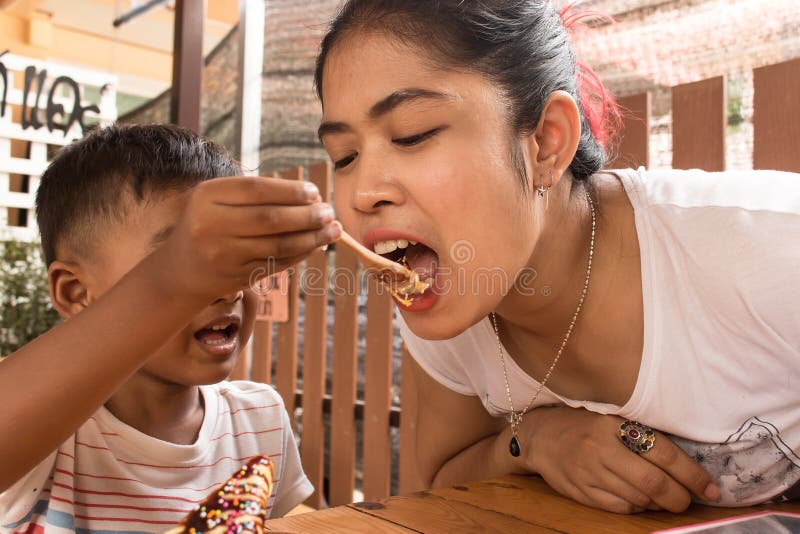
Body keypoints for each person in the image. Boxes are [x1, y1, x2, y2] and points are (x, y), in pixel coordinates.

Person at [314, 0, 800, 514]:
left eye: (412, 133)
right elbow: (441, 481)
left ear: (547, 140)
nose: (362, 192)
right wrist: (536, 439)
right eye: (344, 157)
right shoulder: (448, 297)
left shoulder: (769, 251)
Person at [0, 124, 341, 530]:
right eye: (186, 259)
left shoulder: (260, 420)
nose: (227, 287)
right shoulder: (47, 432)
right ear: (76, 292)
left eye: (235, 260)